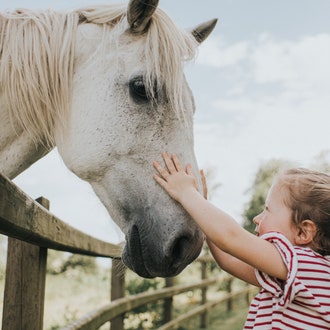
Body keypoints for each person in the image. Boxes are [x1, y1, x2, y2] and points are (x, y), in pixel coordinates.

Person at [153, 152, 330, 329]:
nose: (257, 218)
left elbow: (231, 238)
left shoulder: (305, 266)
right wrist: (201, 210)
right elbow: (230, 259)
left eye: (267, 210)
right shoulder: (291, 275)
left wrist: (186, 193)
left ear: (302, 232)